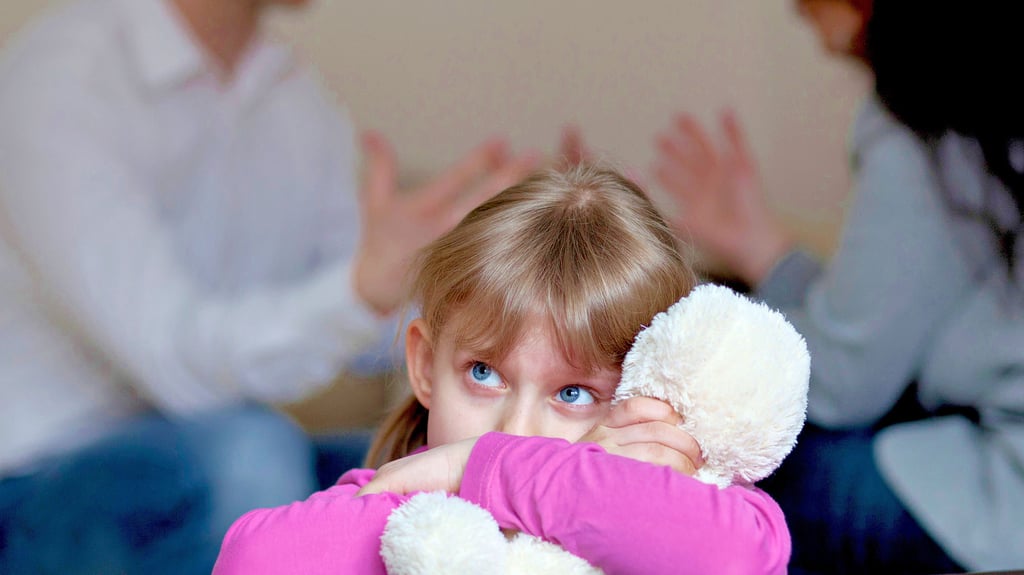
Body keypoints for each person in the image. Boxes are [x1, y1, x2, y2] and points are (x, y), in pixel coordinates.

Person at [0, 0, 537, 572]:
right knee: (252, 451)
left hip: (220, 451)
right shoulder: (64, 77)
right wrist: (359, 292)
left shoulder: (292, 96)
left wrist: (518, 291)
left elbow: (362, 319)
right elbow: (177, 365)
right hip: (43, 477)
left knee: (433, 468)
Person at [211, 165, 792, 575]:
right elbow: (251, 560)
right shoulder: (397, 504)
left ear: (645, 396)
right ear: (424, 366)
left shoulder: (679, 504)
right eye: (484, 374)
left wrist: (492, 468)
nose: (515, 431)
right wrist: (462, 477)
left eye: (573, 392)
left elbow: (739, 559)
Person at [652, 0, 1023, 572]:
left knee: (714, 472)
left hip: (1000, 503)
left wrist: (663, 323)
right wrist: (766, 253)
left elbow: (845, 385)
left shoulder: (929, 121)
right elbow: (883, 328)